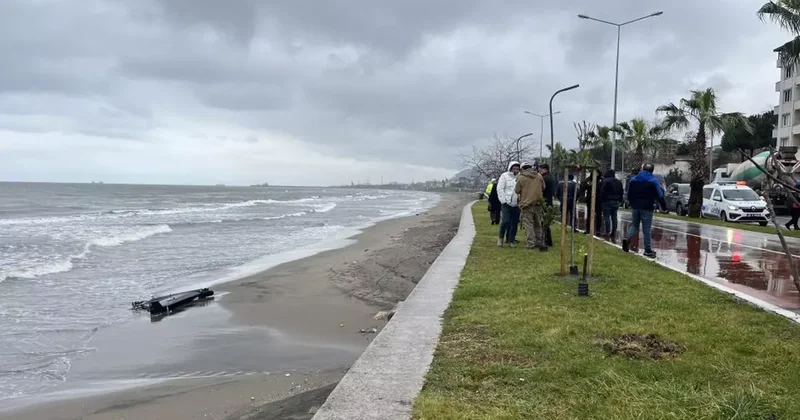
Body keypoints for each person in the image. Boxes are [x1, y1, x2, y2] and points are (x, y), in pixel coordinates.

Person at [622, 163, 667, 258]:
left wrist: (631, 203)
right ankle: (647, 250)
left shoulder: (634, 179)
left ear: (643, 169)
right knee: (646, 229)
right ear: (652, 170)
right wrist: (664, 207)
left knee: (635, 225)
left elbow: (629, 193)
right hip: (647, 207)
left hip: (635, 206)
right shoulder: (653, 180)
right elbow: (660, 195)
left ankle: (627, 238)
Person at [515, 163, 546, 251]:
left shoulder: (521, 177)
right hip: (538, 203)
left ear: (522, 169)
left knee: (528, 225)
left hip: (526, 205)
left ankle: (530, 243)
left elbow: (517, 190)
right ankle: (538, 242)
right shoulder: (539, 176)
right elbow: (544, 187)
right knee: (538, 224)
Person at [497, 161, 521, 247]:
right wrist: (503, 200)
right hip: (506, 203)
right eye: (514, 168)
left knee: (514, 223)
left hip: (516, 204)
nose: (516, 170)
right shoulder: (504, 176)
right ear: (510, 168)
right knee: (505, 221)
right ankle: (500, 238)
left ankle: (511, 240)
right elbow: (500, 189)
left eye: (517, 169)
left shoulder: (520, 177)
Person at [599, 169, 624, 239]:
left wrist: (601, 199)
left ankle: (607, 231)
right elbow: (621, 192)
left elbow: (603, 191)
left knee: (606, 217)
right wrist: (620, 200)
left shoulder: (606, 181)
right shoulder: (618, 182)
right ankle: (614, 231)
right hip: (616, 201)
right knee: (614, 217)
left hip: (607, 201)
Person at [538, 163, 556, 247]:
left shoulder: (544, 178)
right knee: (546, 222)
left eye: (540, 169)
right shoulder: (551, 177)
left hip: (545, 201)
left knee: (544, 223)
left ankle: (546, 241)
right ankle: (547, 240)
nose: (539, 171)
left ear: (545, 170)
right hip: (549, 201)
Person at [580, 170, 603, 234]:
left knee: (598, 215)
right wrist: (589, 185)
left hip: (599, 200)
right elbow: (583, 187)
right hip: (590, 199)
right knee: (589, 214)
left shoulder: (601, 180)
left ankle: (598, 229)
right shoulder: (589, 180)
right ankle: (588, 229)